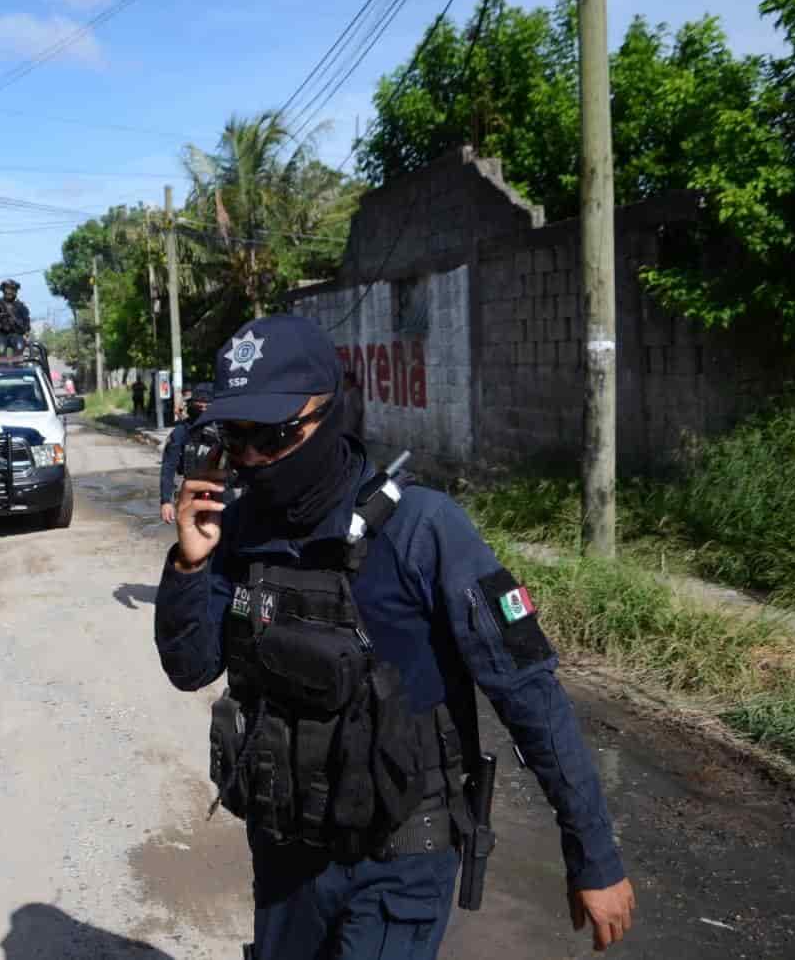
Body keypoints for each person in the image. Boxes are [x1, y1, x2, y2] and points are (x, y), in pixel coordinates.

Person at [154, 314, 635, 959]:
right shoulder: (233, 529)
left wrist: (593, 855)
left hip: (400, 858)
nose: (249, 458)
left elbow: (528, 692)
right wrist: (189, 563)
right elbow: (190, 667)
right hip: (285, 854)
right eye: (233, 436)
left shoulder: (424, 529)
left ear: (332, 414)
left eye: (270, 435)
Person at [160, 384, 213, 525]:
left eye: (207, 407)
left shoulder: (225, 429)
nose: (203, 411)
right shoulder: (181, 431)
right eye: (199, 407)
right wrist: (166, 501)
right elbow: (169, 466)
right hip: (191, 489)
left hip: (222, 490)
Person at [0, 279, 31, 356]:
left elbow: (27, 320)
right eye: (7, 289)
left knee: (19, 347)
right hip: (0, 334)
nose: (10, 292)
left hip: (16, 334)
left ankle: (17, 367)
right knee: (1, 350)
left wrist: (26, 334)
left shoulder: (21, 306)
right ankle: (2, 368)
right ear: (3, 290)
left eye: (12, 289)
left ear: (16, 291)